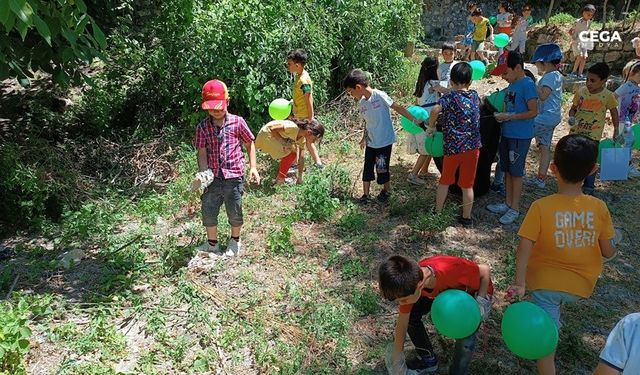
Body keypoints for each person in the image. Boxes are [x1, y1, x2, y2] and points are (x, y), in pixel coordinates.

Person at [506, 133, 618, 375]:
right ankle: (555, 316)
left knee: (546, 343)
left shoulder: (540, 207)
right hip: (580, 287)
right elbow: (608, 251)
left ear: (553, 168)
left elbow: (524, 248)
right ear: (593, 170)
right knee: (558, 300)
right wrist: (613, 247)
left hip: (544, 284)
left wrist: (520, 283)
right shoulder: (599, 208)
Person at [379, 254, 493, 375]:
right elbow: (402, 323)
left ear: (419, 286)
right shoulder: (410, 282)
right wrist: (398, 360)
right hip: (445, 291)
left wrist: (480, 302)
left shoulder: (450, 271)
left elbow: (485, 271)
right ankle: (428, 359)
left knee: (466, 335)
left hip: (475, 294)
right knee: (411, 316)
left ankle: (457, 371)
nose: (401, 303)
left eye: (403, 300)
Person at [193, 79, 261, 256]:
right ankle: (212, 244)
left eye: (219, 107)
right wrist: (203, 172)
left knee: (235, 210)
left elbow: (249, 143)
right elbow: (201, 152)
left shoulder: (237, 122)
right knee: (208, 210)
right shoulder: (202, 127)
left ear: (227, 102)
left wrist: (253, 167)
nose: (215, 111)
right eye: (211, 108)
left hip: (234, 176)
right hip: (212, 178)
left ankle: (235, 241)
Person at [343, 69, 422, 204]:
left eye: (350, 91)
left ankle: (386, 190)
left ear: (358, 87)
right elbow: (366, 122)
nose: (351, 95)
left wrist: (414, 119)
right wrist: (364, 137)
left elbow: (397, 107)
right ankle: (366, 195)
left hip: (384, 140)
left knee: (382, 167)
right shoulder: (362, 103)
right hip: (371, 141)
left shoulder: (379, 95)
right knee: (368, 166)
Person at [486, 51, 538, 225]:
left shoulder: (527, 85)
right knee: (507, 169)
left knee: (516, 173)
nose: (503, 76)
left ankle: (515, 207)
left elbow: (533, 111)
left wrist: (509, 116)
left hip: (520, 136)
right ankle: (507, 202)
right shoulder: (512, 85)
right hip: (507, 133)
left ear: (517, 68)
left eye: (505, 72)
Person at [428, 62, 481, 227]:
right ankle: (467, 218)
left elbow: (435, 110)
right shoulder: (474, 96)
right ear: (470, 82)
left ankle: (437, 211)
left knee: (445, 181)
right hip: (473, 148)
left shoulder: (448, 97)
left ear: (451, 81)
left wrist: (431, 127)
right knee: (467, 185)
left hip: (453, 147)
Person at [568, 62, 619, 195]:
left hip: (593, 134)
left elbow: (614, 113)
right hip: (577, 132)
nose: (588, 83)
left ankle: (589, 185)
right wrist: (571, 117)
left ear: (603, 81)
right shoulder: (581, 92)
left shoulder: (608, 96)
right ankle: (574, 182)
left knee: (590, 159)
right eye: (587, 79)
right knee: (575, 157)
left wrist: (616, 129)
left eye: (593, 80)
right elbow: (573, 109)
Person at [527, 43, 564, 189]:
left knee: (522, 137)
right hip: (552, 116)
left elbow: (543, 95)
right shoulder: (556, 75)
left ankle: (517, 173)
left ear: (544, 61)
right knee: (544, 147)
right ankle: (541, 179)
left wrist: (530, 83)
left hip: (545, 117)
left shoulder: (550, 76)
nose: (536, 65)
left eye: (537, 62)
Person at [255, 119, 324, 184]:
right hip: (266, 134)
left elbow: (301, 158)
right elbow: (272, 129)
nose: (314, 142)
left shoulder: (302, 140)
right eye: (314, 139)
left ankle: (281, 176)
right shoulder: (293, 127)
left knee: (293, 152)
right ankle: (280, 180)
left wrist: (300, 177)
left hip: (273, 137)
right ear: (309, 132)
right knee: (290, 153)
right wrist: (283, 142)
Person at [286, 49, 323, 172]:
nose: (288, 66)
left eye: (289, 64)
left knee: (299, 140)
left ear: (297, 65)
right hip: (298, 114)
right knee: (305, 141)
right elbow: (301, 96)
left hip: (303, 116)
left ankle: (299, 164)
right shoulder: (299, 76)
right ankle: (317, 164)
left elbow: (309, 99)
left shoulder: (303, 80)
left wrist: (310, 118)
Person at [407, 57, 439, 185]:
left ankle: (424, 170)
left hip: (420, 116)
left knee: (429, 145)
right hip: (428, 119)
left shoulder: (421, 82)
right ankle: (413, 174)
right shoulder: (433, 83)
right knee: (426, 150)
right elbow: (446, 90)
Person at [614, 60, 640, 178]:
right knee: (628, 140)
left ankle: (621, 165)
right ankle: (625, 165)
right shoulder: (626, 86)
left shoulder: (635, 87)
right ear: (634, 72)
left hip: (628, 119)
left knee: (625, 140)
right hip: (623, 119)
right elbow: (613, 96)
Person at [569, 4, 596, 79]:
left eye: (591, 15)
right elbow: (570, 31)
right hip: (576, 41)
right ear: (583, 13)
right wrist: (573, 38)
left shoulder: (589, 22)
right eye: (588, 14)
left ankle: (580, 74)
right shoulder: (577, 22)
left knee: (584, 57)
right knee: (580, 56)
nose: (590, 16)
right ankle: (573, 72)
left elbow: (586, 30)